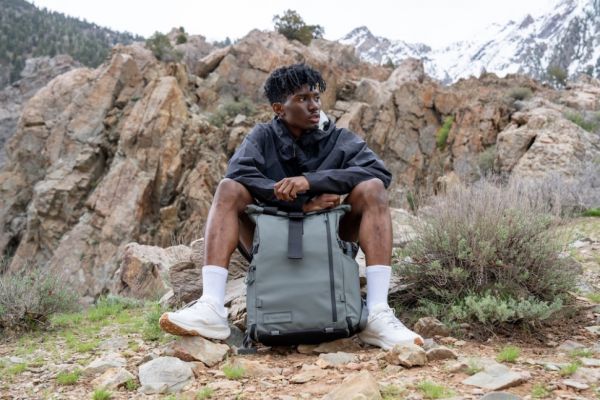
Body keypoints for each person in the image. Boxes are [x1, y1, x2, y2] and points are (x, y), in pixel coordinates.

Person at [159, 63, 423, 349]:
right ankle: (211, 307)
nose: (314, 106)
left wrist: (309, 182)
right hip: (270, 241)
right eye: (302, 99)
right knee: (228, 188)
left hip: (332, 240)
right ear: (279, 109)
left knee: (372, 188)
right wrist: (300, 205)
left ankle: (378, 314)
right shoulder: (262, 136)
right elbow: (238, 172)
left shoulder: (338, 139)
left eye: (316, 97)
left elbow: (379, 172)